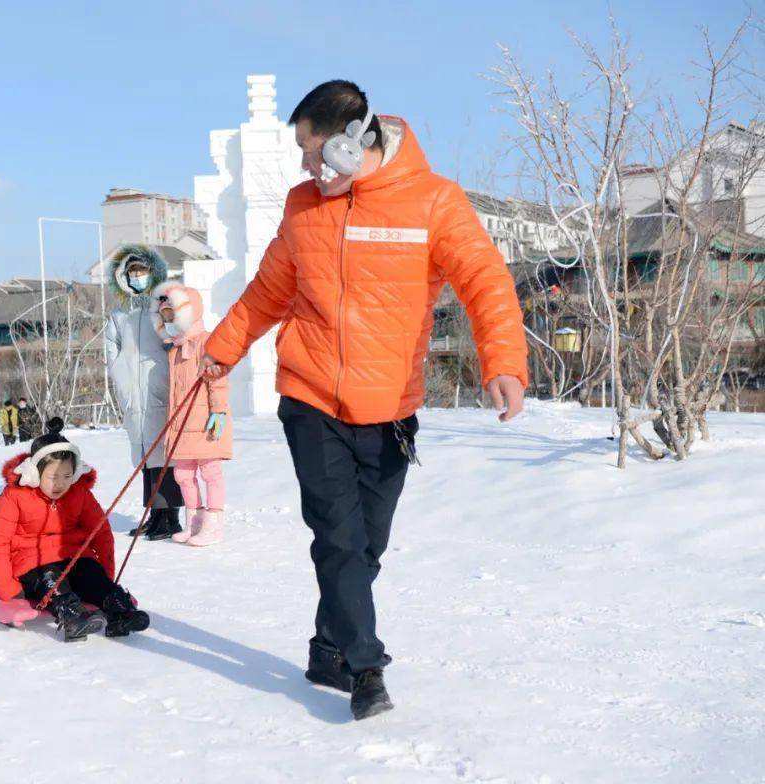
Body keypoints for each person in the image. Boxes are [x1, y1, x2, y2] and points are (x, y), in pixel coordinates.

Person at [201, 81, 528, 720]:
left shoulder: (435, 202)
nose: (302, 165)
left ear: (352, 142)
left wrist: (503, 362)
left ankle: (328, 647)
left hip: (390, 409)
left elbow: (485, 280)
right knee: (340, 540)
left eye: (309, 148)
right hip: (310, 395)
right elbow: (269, 291)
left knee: (366, 545)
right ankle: (365, 667)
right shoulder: (303, 207)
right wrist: (223, 348)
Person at [0, 417, 149, 641]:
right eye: (53, 477)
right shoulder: (14, 497)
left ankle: (120, 611)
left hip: (73, 557)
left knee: (90, 572)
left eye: (67, 476)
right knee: (51, 578)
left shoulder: (79, 493)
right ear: (34, 473)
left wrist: (105, 573)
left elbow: (101, 533)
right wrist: (8, 589)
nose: (60, 483)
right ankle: (71, 615)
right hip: (32, 565)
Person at [104, 245, 185, 541]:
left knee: (164, 454)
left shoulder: (161, 303)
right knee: (143, 454)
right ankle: (153, 515)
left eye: (142, 271)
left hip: (157, 384)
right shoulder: (120, 314)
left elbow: (177, 332)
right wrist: (118, 371)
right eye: (132, 272)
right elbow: (110, 344)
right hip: (132, 390)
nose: (137, 276)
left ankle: (170, 516)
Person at [150, 282, 232, 546]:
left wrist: (218, 411)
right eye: (165, 317)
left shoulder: (206, 341)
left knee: (210, 472)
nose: (170, 321)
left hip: (206, 421)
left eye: (173, 315)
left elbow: (217, 378)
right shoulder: (174, 349)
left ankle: (214, 524)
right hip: (181, 424)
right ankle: (194, 523)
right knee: (183, 474)